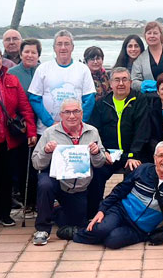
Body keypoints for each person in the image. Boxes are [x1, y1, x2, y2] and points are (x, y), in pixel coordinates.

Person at [75, 141, 163, 248]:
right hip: (121, 211)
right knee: (102, 229)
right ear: (154, 158)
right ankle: (75, 233)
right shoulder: (143, 170)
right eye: (161, 156)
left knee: (112, 241)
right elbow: (120, 190)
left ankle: (100, 233)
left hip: (141, 228)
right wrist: (102, 210)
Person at [30, 99, 109, 246]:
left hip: (80, 186)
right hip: (57, 182)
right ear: (61, 115)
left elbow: (99, 163)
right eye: (67, 112)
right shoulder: (49, 132)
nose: (72, 116)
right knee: (44, 183)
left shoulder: (92, 131)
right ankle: (42, 229)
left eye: (76, 111)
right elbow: (36, 164)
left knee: (75, 224)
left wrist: (96, 152)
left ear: (82, 113)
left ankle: (57, 211)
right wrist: (47, 151)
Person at [0, 43, 37, 228]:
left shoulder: (12, 79)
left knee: (6, 178)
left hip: (10, 139)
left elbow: (25, 107)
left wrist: (32, 131)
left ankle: (4, 214)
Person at [86, 67, 150, 216]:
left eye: (124, 80)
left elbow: (143, 130)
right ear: (110, 83)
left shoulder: (139, 100)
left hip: (133, 153)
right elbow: (94, 131)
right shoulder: (102, 104)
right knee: (96, 173)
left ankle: (127, 213)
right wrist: (103, 152)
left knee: (134, 173)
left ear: (130, 82)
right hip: (109, 154)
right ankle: (93, 213)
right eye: (117, 80)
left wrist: (133, 154)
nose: (121, 83)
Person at [29, 30, 97, 134]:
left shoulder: (83, 69)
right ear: (54, 48)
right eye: (59, 44)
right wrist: (50, 122)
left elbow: (89, 99)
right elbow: (35, 98)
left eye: (67, 44)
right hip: (46, 130)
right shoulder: (42, 68)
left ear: (72, 47)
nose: (63, 48)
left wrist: (78, 123)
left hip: (75, 131)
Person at [9, 38, 43, 208]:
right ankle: (27, 201)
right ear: (21, 54)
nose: (30, 55)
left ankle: (43, 199)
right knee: (24, 164)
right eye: (26, 52)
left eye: (33, 52)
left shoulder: (44, 71)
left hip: (43, 123)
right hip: (22, 126)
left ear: (39, 55)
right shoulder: (12, 73)